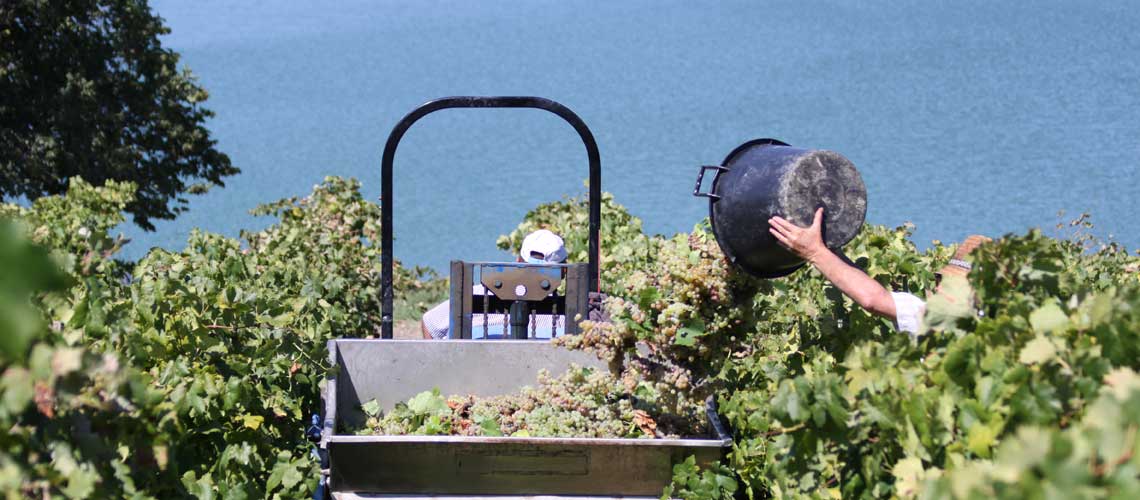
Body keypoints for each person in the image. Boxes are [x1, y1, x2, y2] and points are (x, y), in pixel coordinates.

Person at [767, 207, 989, 335]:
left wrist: (815, 252)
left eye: (951, 283)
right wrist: (828, 249)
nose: (939, 286)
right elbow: (869, 291)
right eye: (942, 279)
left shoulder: (935, 320)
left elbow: (872, 299)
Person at [420, 229, 569, 339]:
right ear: (563, 272)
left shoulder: (476, 294)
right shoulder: (566, 314)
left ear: (517, 262)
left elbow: (431, 323)